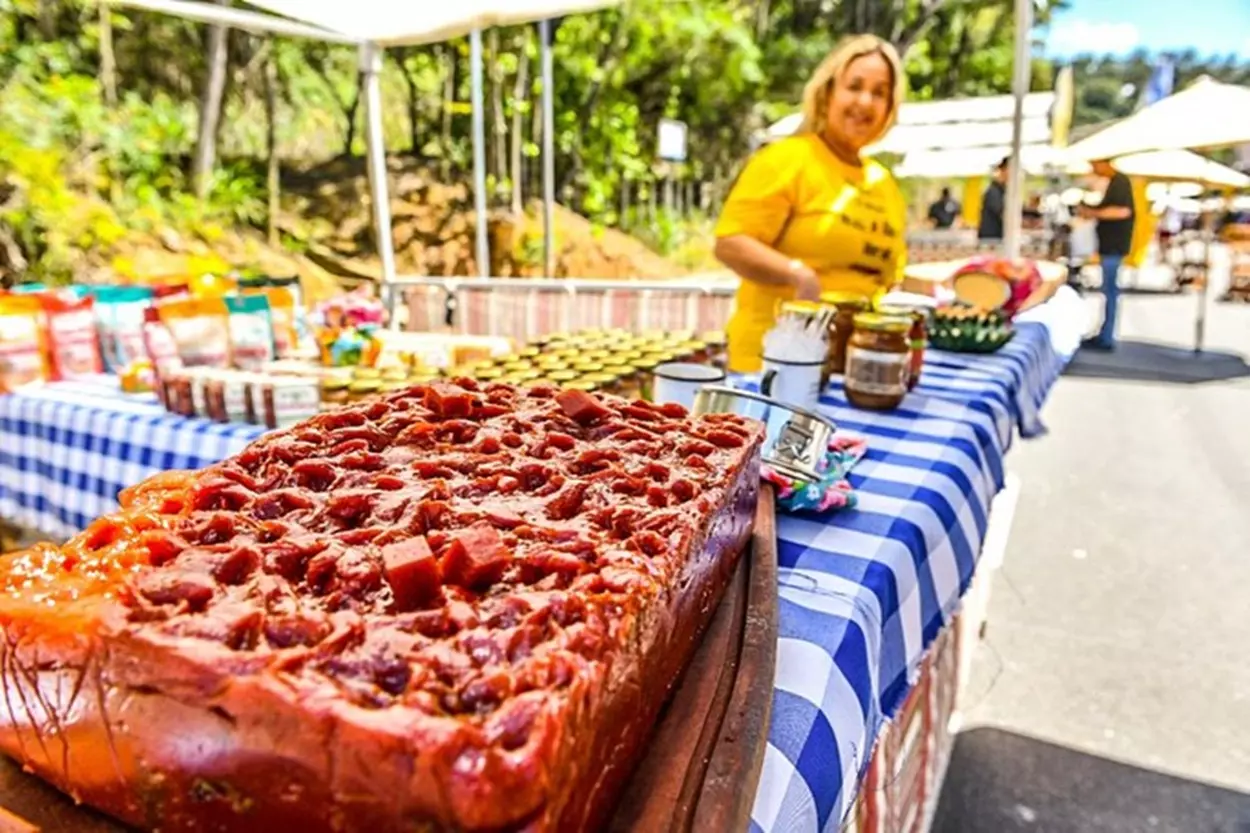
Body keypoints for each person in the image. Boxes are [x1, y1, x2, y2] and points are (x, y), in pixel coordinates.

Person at [713, 34, 907, 372]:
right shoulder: (788, 159)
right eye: (854, 86)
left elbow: (890, 276)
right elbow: (730, 243)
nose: (865, 101)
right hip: (773, 364)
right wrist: (798, 274)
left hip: (853, 366)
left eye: (880, 92)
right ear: (828, 93)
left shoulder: (883, 182)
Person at [1078, 158, 1135, 350]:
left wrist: (1093, 213)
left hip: (1114, 246)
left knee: (1110, 291)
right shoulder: (1114, 183)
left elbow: (1122, 211)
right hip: (1109, 245)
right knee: (1108, 290)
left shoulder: (1120, 182)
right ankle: (1105, 333)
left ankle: (1107, 336)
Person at [977, 157, 1009, 240]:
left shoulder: (1003, 191)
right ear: (1004, 170)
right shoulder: (993, 191)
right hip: (991, 240)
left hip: (998, 238)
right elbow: (1003, 214)